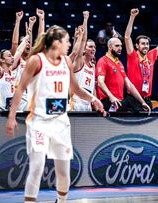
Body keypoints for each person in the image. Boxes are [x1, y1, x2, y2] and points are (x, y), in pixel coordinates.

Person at [6, 25, 104, 203]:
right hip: (39, 122)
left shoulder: (66, 61)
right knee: (37, 166)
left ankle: (62, 201)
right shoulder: (36, 60)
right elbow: (20, 88)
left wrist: (93, 99)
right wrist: (12, 117)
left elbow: (75, 88)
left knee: (63, 170)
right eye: (67, 41)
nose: (69, 44)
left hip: (60, 123)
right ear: (57, 42)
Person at [125, 8, 158, 108]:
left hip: (147, 100)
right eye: (143, 44)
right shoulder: (132, 56)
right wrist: (132, 17)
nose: (145, 46)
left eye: (147, 44)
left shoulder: (151, 55)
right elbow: (127, 37)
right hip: (133, 100)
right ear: (137, 46)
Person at [96, 37, 151, 113]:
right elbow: (100, 82)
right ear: (110, 47)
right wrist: (111, 97)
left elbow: (129, 85)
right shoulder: (103, 61)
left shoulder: (119, 63)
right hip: (108, 101)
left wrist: (142, 102)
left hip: (118, 102)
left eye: (121, 46)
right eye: (117, 46)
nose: (120, 48)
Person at [0, 25, 29, 111]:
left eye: (12, 56)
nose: (12, 57)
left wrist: (26, 38)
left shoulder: (11, 70)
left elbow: (19, 51)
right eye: (9, 56)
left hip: (6, 110)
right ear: (2, 60)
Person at [71, 11, 100, 111]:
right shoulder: (79, 61)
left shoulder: (93, 66)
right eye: (90, 47)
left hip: (87, 104)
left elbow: (93, 88)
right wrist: (86, 19)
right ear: (84, 49)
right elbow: (83, 40)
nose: (93, 49)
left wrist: (96, 105)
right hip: (76, 102)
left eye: (95, 47)